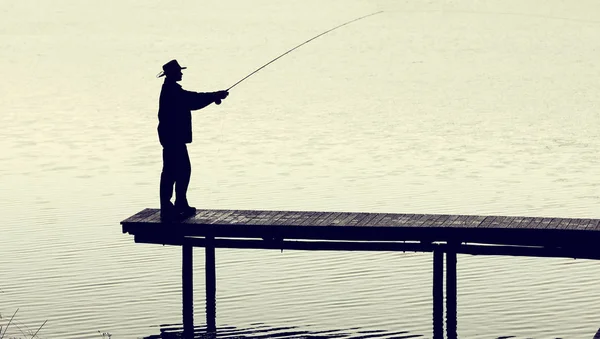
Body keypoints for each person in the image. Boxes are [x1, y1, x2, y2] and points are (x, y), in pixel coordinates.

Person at [156, 59, 229, 221]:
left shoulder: (171, 89)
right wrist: (215, 96)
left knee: (178, 171)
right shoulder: (172, 90)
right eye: (179, 71)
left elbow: (192, 100)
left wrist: (213, 97)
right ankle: (170, 205)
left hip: (172, 138)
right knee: (175, 171)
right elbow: (192, 100)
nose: (181, 73)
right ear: (172, 74)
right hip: (173, 138)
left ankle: (177, 203)